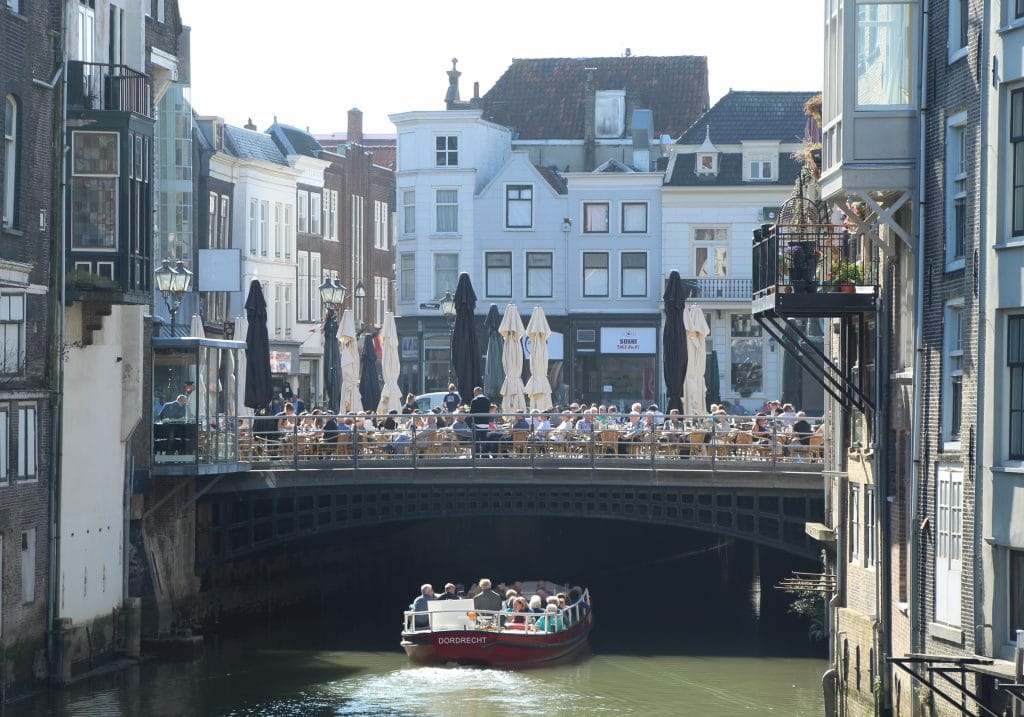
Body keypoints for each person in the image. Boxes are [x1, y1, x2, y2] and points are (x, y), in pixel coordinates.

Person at [469, 387, 492, 453]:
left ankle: (476, 456)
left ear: (476, 392)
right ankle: (485, 455)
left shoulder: (474, 400)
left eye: (474, 393)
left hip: (477, 423)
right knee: (484, 441)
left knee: (476, 442)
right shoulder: (487, 400)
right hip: (485, 423)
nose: (474, 394)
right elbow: (488, 411)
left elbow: (471, 413)